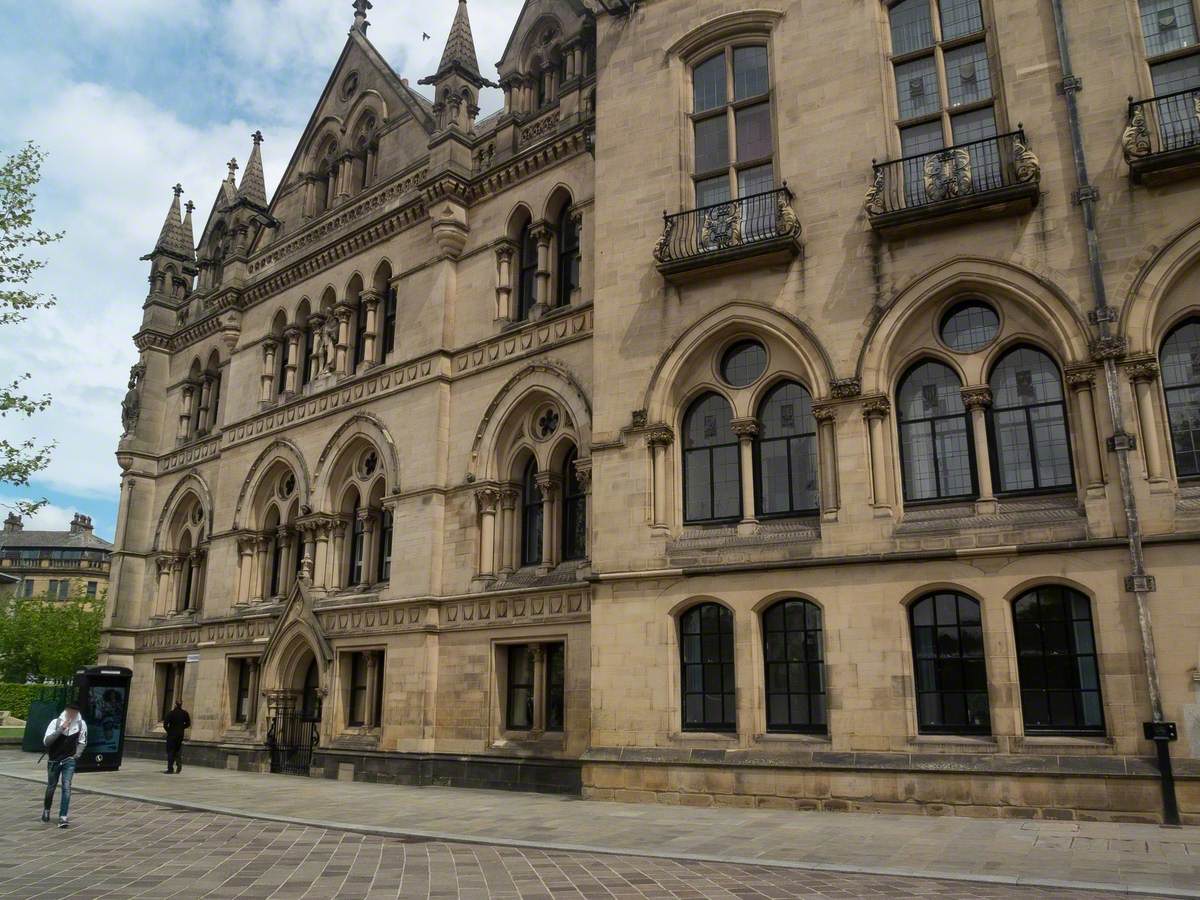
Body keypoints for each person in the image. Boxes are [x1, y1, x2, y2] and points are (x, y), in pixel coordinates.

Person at [42, 700, 88, 828]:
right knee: (51, 786)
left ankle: (63, 816)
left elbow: (82, 741)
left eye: (75, 712)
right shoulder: (55, 722)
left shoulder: (80, 724)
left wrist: (76, 755)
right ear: (66, 711)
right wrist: (62, 728)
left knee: (67, 786)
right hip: (54, 759)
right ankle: (46, 809)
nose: (72, 714)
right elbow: (47, 742)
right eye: (70, 712)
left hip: (69, 759)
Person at [162, 699, 191, 774]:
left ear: (175, 704)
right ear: (181, 704)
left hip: (172, 735)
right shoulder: (185, 713)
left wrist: (169, 731)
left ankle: (170, 768)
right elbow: (188, 723)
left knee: (170, 751)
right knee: (178, 750)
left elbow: (165, 724)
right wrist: (182, 728)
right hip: (180, 735)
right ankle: (179, 764)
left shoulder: (171, 713)